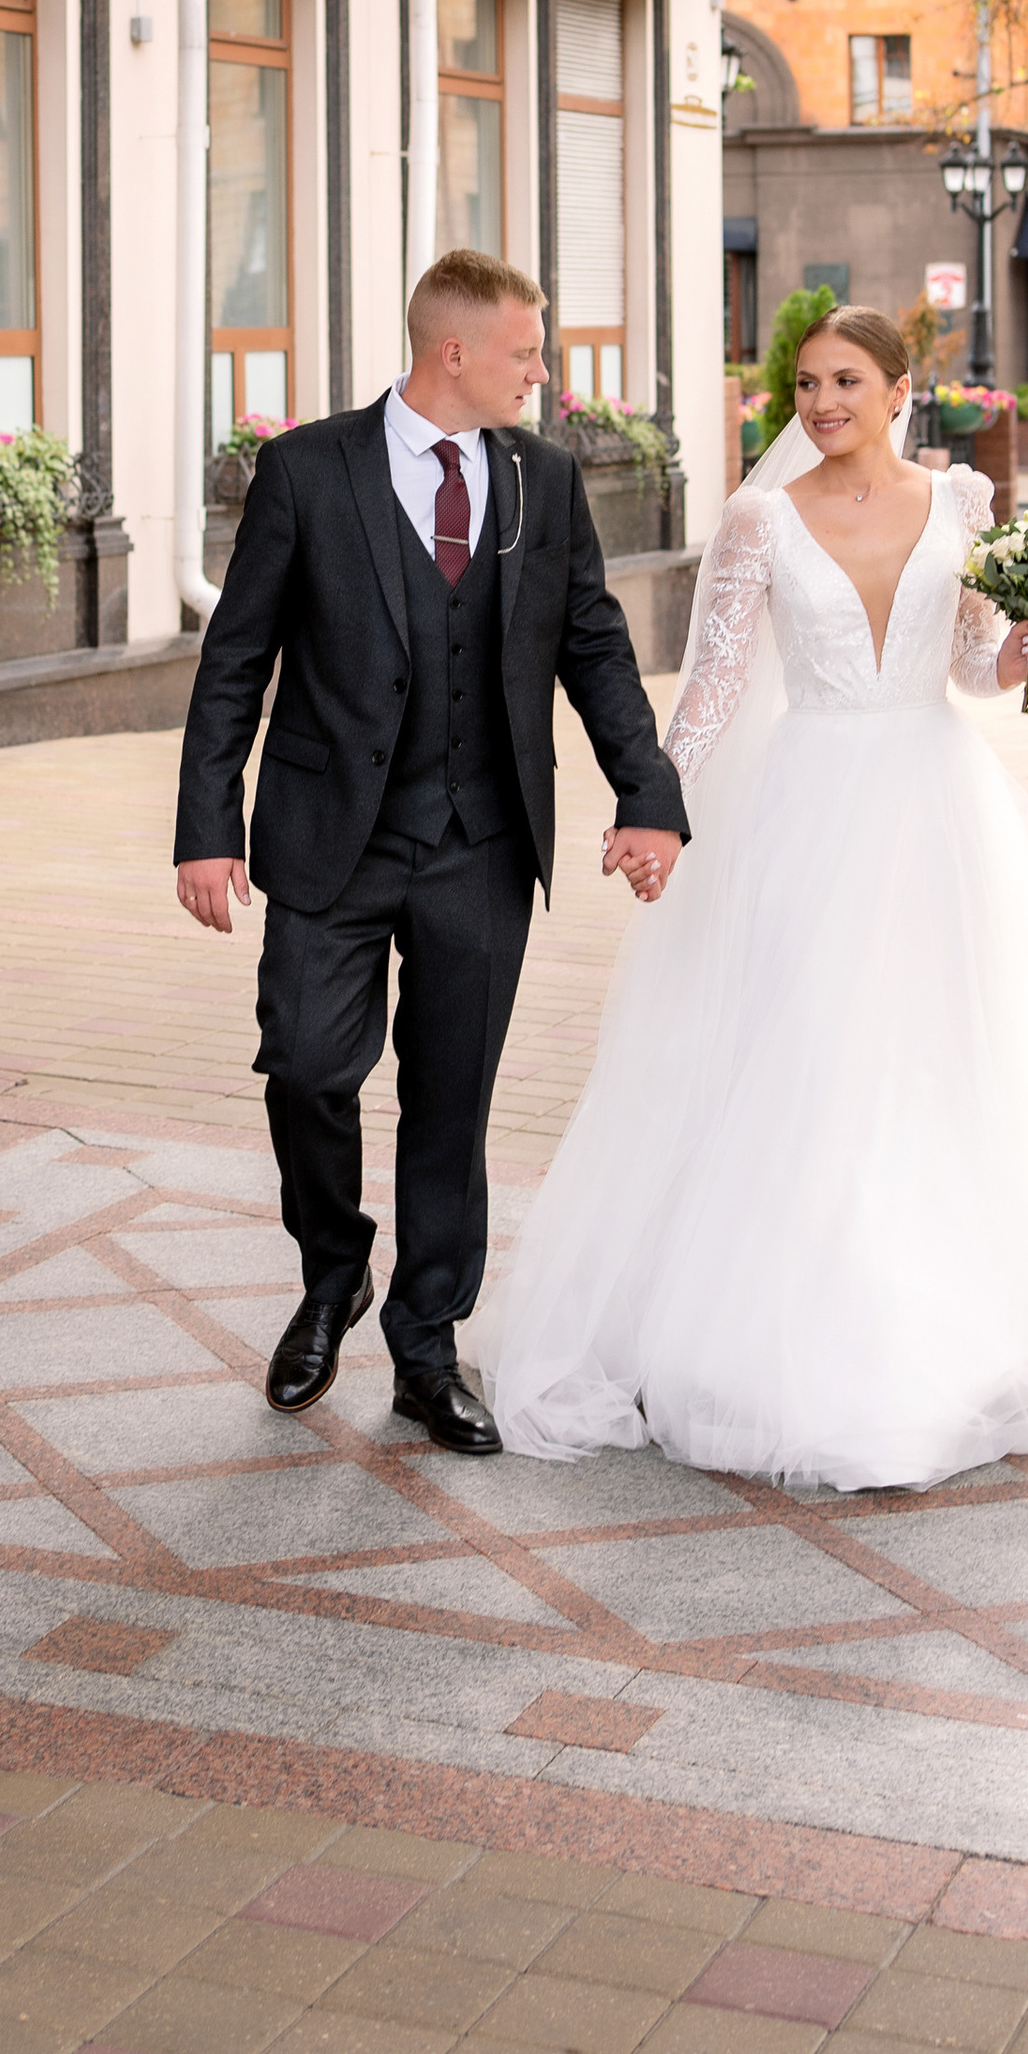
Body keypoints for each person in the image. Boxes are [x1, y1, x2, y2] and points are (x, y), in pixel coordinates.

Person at [482, 306, 1028, 1493]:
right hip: (810, 813)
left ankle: (954, 1310)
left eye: (845, 380)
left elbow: (969, 665)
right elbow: (714, 689)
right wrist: (653, 808)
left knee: (945, 1056)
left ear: (897, 389)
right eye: (806, 383)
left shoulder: (964, 508)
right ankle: (803, 1323)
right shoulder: (757, 520)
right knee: (818, 1059)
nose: (822, 402)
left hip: (939, 811)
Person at [174, 250, 688, 1458]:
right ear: (453, 352)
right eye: (527, 352)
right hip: (326, 841)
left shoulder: (544, 483)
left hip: (481, 842)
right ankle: (332, 1269)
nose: (543, 374)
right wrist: (208, 829)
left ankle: (424, 1348)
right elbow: (233, 660)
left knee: (449, 1107)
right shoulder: (306, 470)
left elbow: (596, 651)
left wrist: (647, 795)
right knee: (304, 1065)